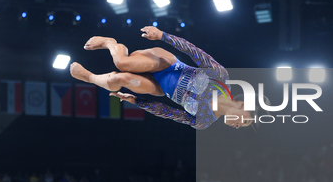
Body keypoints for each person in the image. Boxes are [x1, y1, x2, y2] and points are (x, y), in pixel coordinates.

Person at [70, 26, 254, 130]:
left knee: (117, 82)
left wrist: (136, 101)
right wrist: (163, 36)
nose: (238, 126)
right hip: (167, 64)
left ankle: (90, 77)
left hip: (159, 87)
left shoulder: (203, 121)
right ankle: (110, 42)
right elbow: (193, 51)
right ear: (242, 105)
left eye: (241, 126)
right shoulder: (221, 77)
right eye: (245, 120)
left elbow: (169, 113)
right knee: (122, 63)